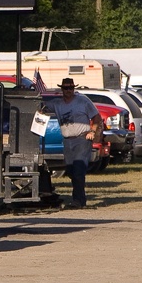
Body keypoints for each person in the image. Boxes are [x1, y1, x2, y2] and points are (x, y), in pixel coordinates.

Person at [48, 77, 101, 208]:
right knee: (71, 170)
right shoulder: (57, 104)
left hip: (82, 139)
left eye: (71, 88)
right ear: (62, 89)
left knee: (78, 169)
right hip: (67, 140)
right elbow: (41, 106)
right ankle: (79, 198)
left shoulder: (83, 101)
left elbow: (96, 117)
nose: (68, 91)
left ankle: (78, 201)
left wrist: (92, 132)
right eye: (66, 88)